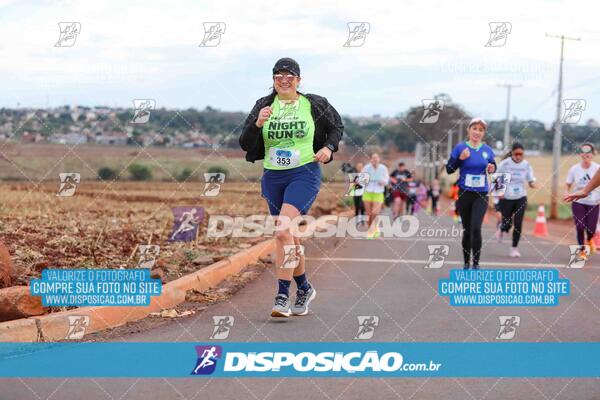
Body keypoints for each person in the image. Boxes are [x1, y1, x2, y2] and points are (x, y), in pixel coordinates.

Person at [239, 57, 343, 317]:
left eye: (290, 75)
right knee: (290, 236)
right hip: (273, 176)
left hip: (304, 173)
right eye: (279, 76)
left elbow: (336, 128)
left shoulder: (313, 104)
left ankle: (282, 295)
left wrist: (328, 148)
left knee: (281, 230)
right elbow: (245, 142)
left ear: (298, 80)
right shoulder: (263, 106)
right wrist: (258, 124)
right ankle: (305, 288)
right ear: (273, 80)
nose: (284, 80)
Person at [446, 117, 496, 270]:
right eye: (475, 128)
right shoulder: (460, 148)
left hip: (481, 194)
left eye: (481, 130)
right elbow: (449, 169)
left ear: (483, 133)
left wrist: (492, 168)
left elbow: (493, 165)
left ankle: (476, 264)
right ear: (469, 130)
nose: (477, 132)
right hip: (464, 193)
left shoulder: (487, 150)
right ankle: (466, 262)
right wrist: (460, 159)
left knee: (476, 227)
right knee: (467, 230)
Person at [496, 142, 536, 257]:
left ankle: (514, 248)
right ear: (512, 153)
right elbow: (497, 179)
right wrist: (500, 193)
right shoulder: (505, 164)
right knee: (507, 224)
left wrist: (532, 183)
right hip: (507, 197)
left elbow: (530, 178)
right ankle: (502, 228)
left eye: (521, 154)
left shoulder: (526, 165)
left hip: (521, 197)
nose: (518, 156)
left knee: (518, 223)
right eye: (516, 154)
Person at [565, 143, 600, 261]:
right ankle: (582, 251)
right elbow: (568, 183)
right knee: (580, 226)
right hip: (578, 202)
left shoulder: (597, 168)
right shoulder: (574, 169)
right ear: (580, 154)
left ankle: (589, 239)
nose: (586, 154)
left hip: (594, 202)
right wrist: (566, 192)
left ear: (593, 154)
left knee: (591, 229)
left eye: (589, 152)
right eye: (583, 152)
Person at [361, 153, 389, 238]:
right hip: (367, 192)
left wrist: (383, 182)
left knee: (375, 213)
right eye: (373, 158)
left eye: (376, 158)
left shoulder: (383, 168)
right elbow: (361, 179)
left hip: (378, 192)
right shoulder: (366, 168)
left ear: (379, 159)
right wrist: (366, 180)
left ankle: (373, 229)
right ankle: (371, 229)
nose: (375, 160)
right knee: (369, 214)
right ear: (370, 160)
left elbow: (387, 180)